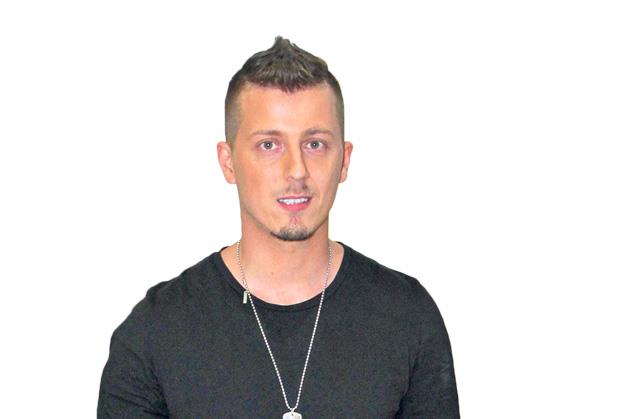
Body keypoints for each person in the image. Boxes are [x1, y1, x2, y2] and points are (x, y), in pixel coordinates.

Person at [97, 35, 460, 418]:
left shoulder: (407, 317)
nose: (296, 170)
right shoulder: (155, 332)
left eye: (315, 144)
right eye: (269, 145)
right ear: (228, 162)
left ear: (344, 160)